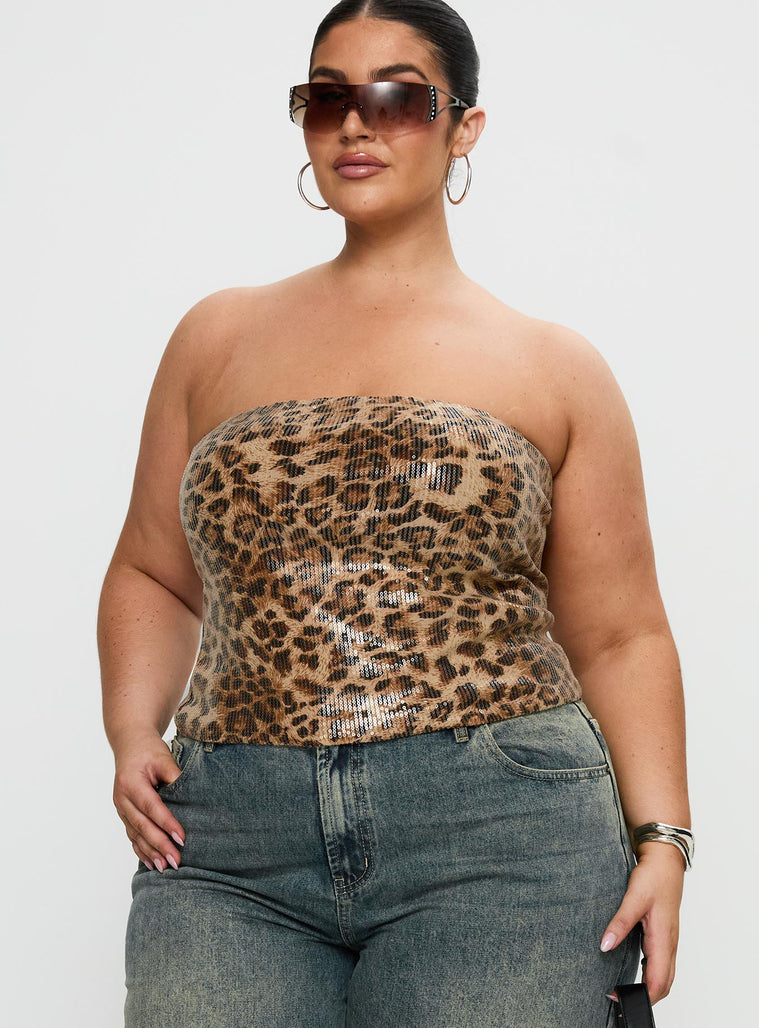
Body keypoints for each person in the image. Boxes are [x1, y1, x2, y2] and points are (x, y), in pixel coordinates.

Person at [97, 1, 692, 1025]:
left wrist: (664, 838)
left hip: (501, 838)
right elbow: (152, 569)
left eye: (397, 99)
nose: (354, 125)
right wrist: (128, 727)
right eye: (325, 97)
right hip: (230, 843)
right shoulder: (214, 340)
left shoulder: (553, 366)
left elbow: (620, 631)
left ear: (464, 127)